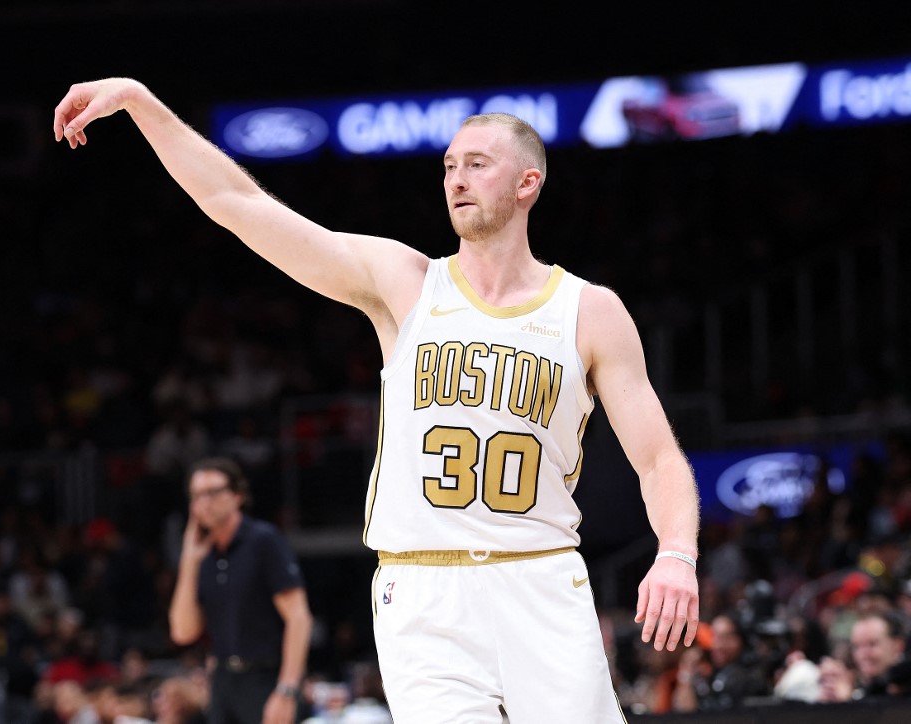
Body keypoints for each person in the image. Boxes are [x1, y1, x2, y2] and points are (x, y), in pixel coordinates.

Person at [54, 79, 700, 722]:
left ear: (528, 183)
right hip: (420, 589)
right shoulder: (406, 283)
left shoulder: (589, 311)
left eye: (477, 164)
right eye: (449, 166)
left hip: (539, 576)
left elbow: (660, 460)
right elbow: (238, 202)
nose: (457, 179)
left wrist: (675, 554)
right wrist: (142, 102)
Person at [169, 457, 313, 724]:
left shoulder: (263, 541)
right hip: (223, 681)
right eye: (197, 495)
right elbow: (183, 631)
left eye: (213, 492)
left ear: (237, 495)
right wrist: (189, 561)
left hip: (267, 677)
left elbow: (299, 617)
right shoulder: (201, 556)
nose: (205, 502)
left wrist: (287, 689)